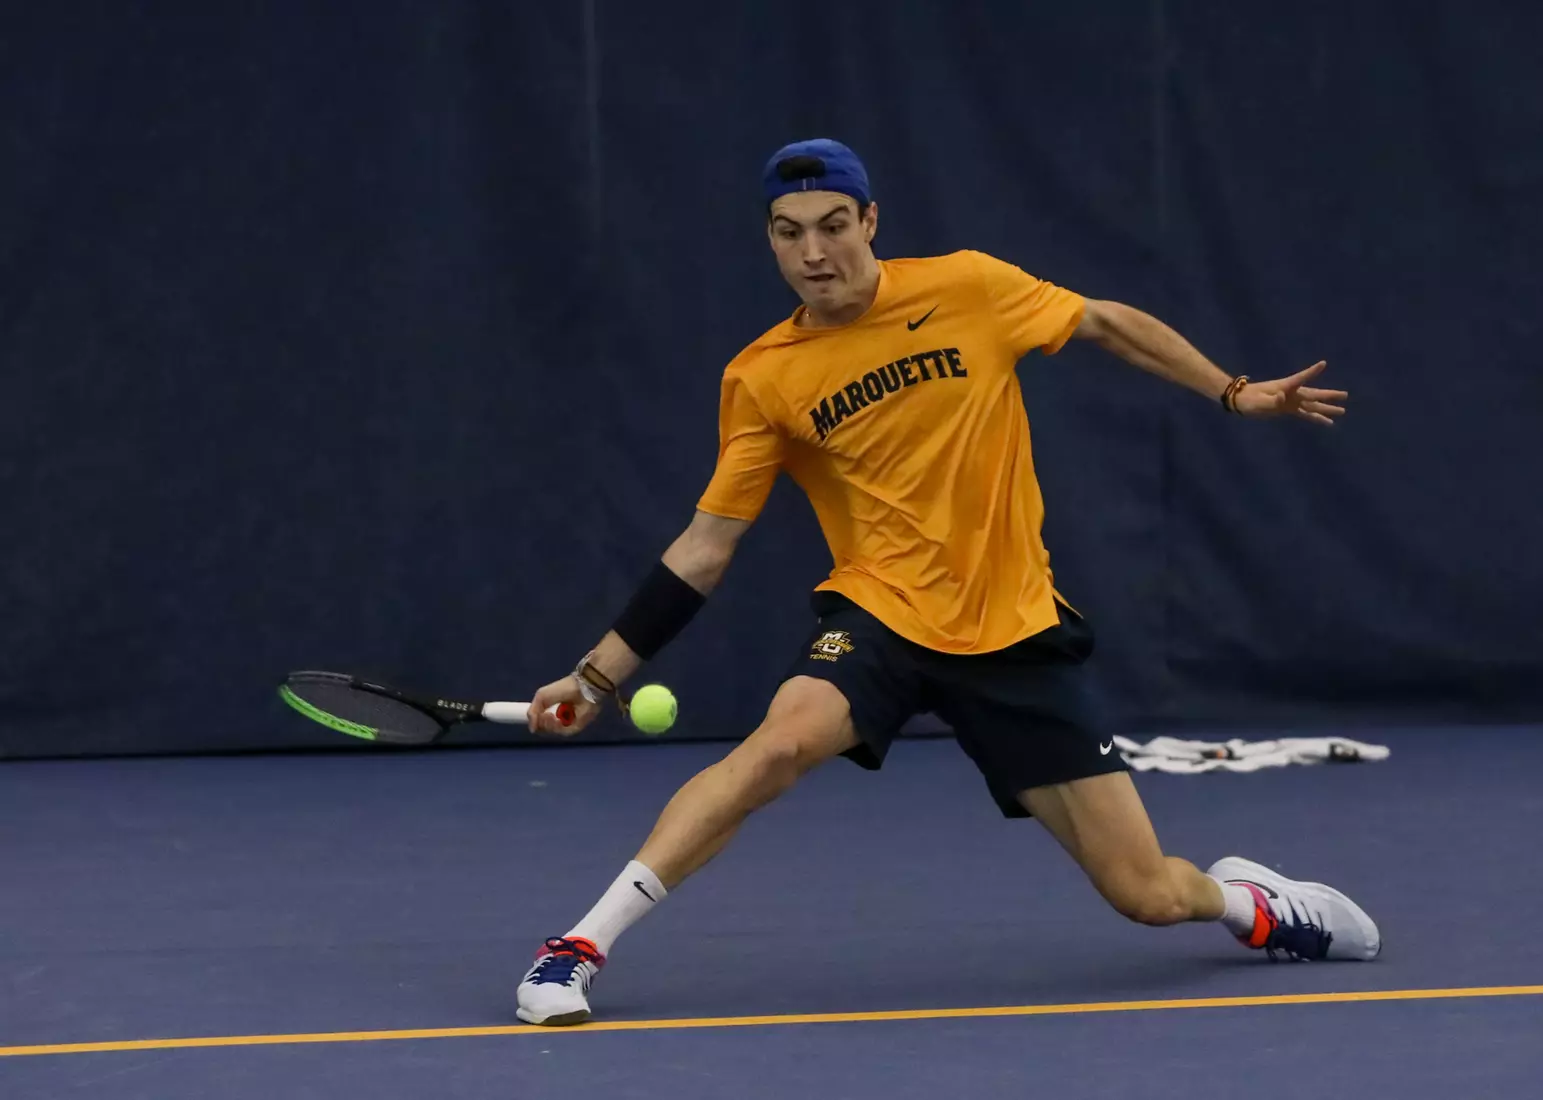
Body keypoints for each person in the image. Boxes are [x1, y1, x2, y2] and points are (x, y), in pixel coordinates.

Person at [513, 138, 1377, 1027]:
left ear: (871, 221)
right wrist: (597, 674)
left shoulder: (969, 287)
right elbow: (704, 546)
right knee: (776, 746)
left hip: (1014, 629)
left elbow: (1106, 323)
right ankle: (577, 947)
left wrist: (1234, 392)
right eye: (789, 233)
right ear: (769, 241)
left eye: (833, 226)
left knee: (1148, 894)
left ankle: (1253, 906)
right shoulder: (763, 376)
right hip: (879, 612)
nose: (813, 253)